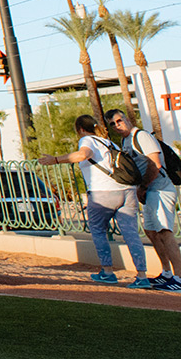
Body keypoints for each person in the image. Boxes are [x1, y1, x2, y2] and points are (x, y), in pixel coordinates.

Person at [38, 114, 151, 288]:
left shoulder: (87, 140)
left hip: (102, 192)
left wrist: (55, 160)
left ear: (81, 129)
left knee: (98, 230)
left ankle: (107, 272)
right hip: (126, 191)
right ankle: (142, 275)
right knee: (131, 233)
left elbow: (84, 155)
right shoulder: (109, 142)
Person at [109, 109, 181, 292]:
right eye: (113, 124)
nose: (117, 125)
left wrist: (143, 187)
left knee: (164, 232)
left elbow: (155, 164)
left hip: (160, 188)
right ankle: (167, 273)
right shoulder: (125, 140)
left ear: (127, 120)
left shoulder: (142, 136)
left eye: (119, 121)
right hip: (148, 190)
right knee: (152, 231)